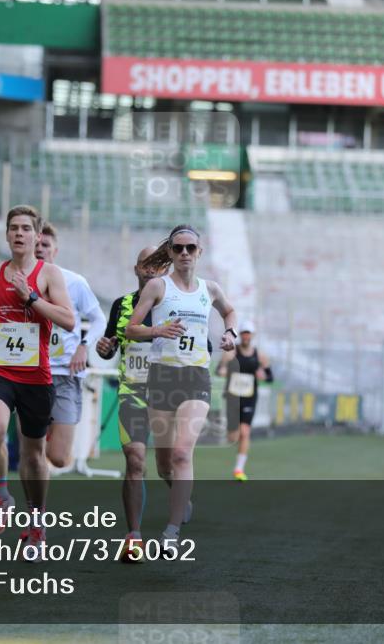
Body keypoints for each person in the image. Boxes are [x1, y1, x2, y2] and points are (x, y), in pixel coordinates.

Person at [126, 224, 237, 548]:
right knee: (163, 466)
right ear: (171, 253)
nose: (185, 253)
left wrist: (229, 333)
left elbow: (229, 312)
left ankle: (172, 532)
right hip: (162, 377)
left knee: (181, 453)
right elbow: (132, 330)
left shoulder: (210, 289)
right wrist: (157, 331)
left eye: (191, 248)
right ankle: (181, 497)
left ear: (199, 252)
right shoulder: (158, 287)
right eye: (178, 248)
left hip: (195, 377)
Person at [0, 205, 74, 556]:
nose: (19, 233)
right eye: (13, 228)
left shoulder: (49, 275)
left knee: (34, 457)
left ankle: (36, 522)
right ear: (6, 235)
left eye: (26, 229)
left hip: (36, 376)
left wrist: (30, 297)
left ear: (36, 236)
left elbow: (69, 320)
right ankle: (1, 495)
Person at [96, 246, 169, 562]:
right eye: (145, 264)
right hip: (133, 394)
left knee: (169, 465)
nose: (151, 269)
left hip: (169, 396)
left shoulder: (175, 305)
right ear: (136, 268)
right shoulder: (122, 305)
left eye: (157, 264)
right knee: (136, 460)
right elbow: (110, 346)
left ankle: (182, 497)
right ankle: (134, 537)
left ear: (164, 270)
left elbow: (201, 346)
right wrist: (104, 348)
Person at [35, 222, 107, 469]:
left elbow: (99, 319)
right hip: (30, 375)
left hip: (65, 373)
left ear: (55, 250)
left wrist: (83, 346)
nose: (40, 249)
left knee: (58, 457)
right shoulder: (18, 282)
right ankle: (36, 507)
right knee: (31, 452)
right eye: (36, 244)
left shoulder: (74, 282)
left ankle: (44, 442)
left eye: (45, 245)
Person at [217, 321, 273, 482]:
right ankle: (234, 441)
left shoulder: (260, 355)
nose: (246, 336)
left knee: (245, 432)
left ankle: (239, 469)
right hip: (233, 397)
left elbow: (270, 377)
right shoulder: (231, 353)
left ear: (253, 335)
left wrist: (264, 376)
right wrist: (223, 370)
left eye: (249, 333)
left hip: (249, 397)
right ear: (240, 335)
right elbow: (219, 369)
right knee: (232, 436)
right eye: (244, 333)